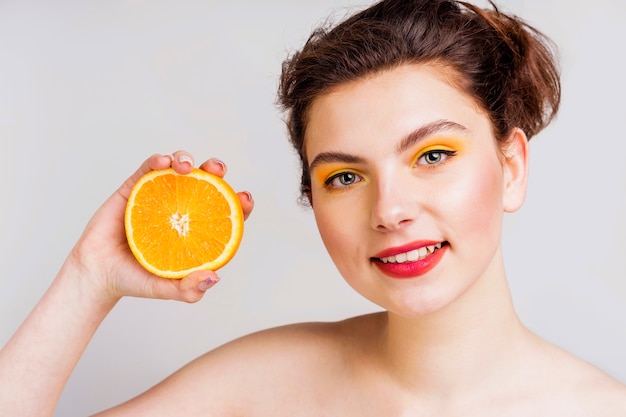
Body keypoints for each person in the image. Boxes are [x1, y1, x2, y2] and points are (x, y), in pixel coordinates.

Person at [1, 0, 625, 415]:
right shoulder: (261, 385)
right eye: (346, 175)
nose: (390, 209)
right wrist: (87, 279)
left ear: (510, 167)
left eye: (432, 156)